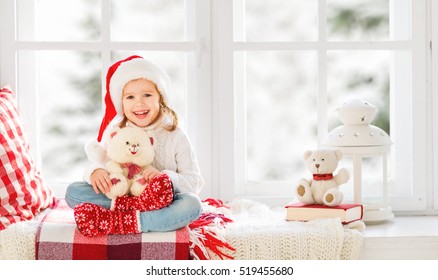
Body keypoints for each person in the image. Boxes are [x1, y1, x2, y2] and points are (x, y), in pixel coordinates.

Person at [65, 55, 203, 237]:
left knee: (192, 204)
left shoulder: (175, 135)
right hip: (123, 195)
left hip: (162, 202)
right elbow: (103, 164)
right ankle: (146, 217)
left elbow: (194, 182)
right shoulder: (115, 131)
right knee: (73, 192)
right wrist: (95, 172)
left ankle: (127, 221)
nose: (139, 103)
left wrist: (165, 178)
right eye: (130, 97)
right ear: (121, 103)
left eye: (147, 95)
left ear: (160, 98)